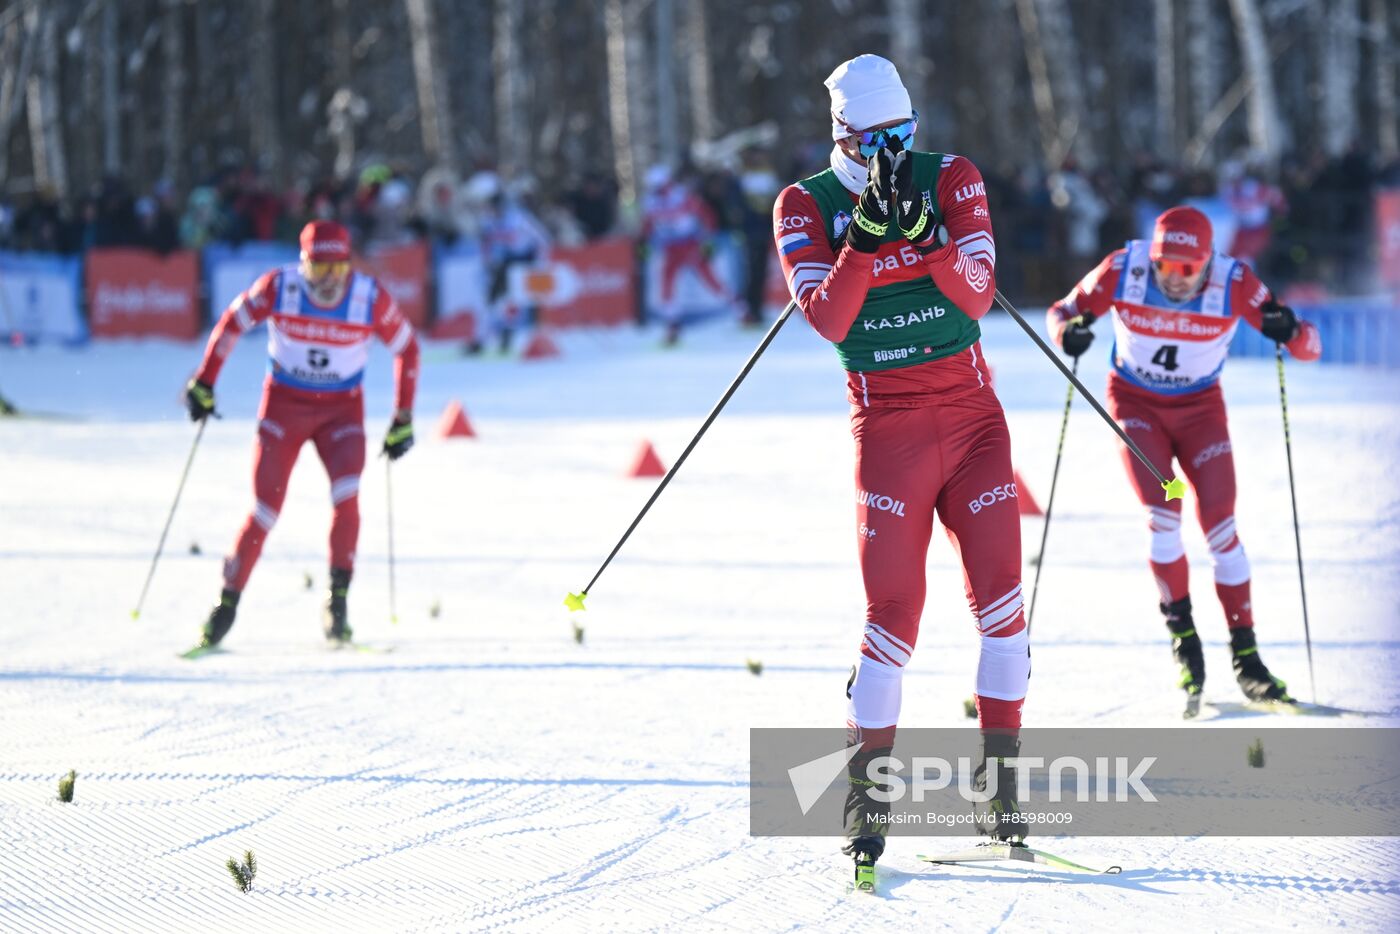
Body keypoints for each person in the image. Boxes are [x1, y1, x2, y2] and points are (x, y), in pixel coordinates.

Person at [771, 54, 1029, 881]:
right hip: (890, 429)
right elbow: (828, 316)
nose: (892, 151)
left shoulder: (949, 175)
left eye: (902, 133)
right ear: (842, 135)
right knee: (893, 620)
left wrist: (925, 237)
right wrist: (867, 242)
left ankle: (1003, 792)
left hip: (972, 418)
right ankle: (867, 802)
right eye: (875, 137)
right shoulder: (804, 203)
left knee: (1004, 611)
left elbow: (980, 292)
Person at [1045, 205, 1321, 711]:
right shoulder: (1123, 269)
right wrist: (1068, 333)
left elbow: (1311, 347)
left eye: (1186, 270)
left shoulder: (1234, 282)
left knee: (1220, 524)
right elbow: (1059, 312)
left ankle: (1247, 657)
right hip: (1138, 412)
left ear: (1207, 263)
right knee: (1164, 515)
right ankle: (1186, 642)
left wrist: (1291, 332)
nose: (1173, 280)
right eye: (1164, 268)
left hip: (1199, 417)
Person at [184, 220, 420, 649]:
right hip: (285, 408)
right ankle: (226, 605)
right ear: (302, 264)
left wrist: (402, 417)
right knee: (265, 510)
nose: (329, 282)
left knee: (347, 497)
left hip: (341, 413)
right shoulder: (279, 288)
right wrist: (204, 381)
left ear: (350, 266)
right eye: (319, 270)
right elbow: (232, 323)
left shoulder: (368, 297)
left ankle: (338, 603)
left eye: (338, 270)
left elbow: (407, 346)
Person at [641, 164, 735, 345]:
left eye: (661, 187)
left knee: (710, 279)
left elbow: (706, 215)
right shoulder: (652, 201)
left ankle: (741, 312)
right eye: (656, 188)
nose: (659, 192)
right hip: (671, 248)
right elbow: (648, 224)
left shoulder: (680, 196)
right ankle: (672, 325)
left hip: (690, 244)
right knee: (666, 283)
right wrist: (644, 242)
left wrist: (708, 239)